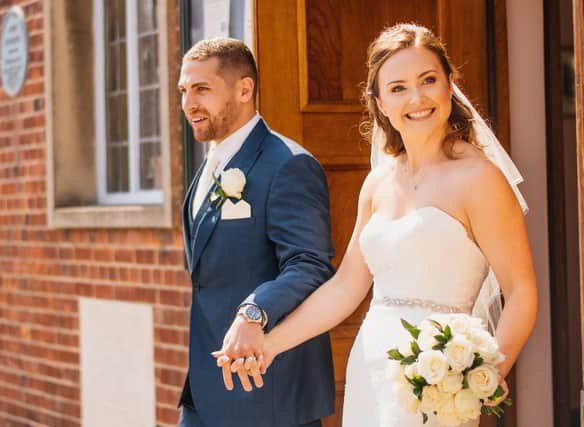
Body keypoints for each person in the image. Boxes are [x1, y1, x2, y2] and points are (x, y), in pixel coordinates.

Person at [214, 24, 538, 427]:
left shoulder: (478, 178)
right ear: (380, 102)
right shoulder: (379, 182)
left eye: (428, 80)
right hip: (371, 369)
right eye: (398, 87)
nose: (417, 98)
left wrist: (484, 374)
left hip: (440, 383)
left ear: (449, 86)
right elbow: (346, 287)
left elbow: (521, 289)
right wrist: (268, 345)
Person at [177, 37, 336, 427]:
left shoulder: (288, 165)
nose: (189, 103)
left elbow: (309, 264)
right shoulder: (212, 164)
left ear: (244, 89)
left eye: (202, 89)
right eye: (184, 90)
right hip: (205, 388)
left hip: (269, 393)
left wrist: (254, 311)